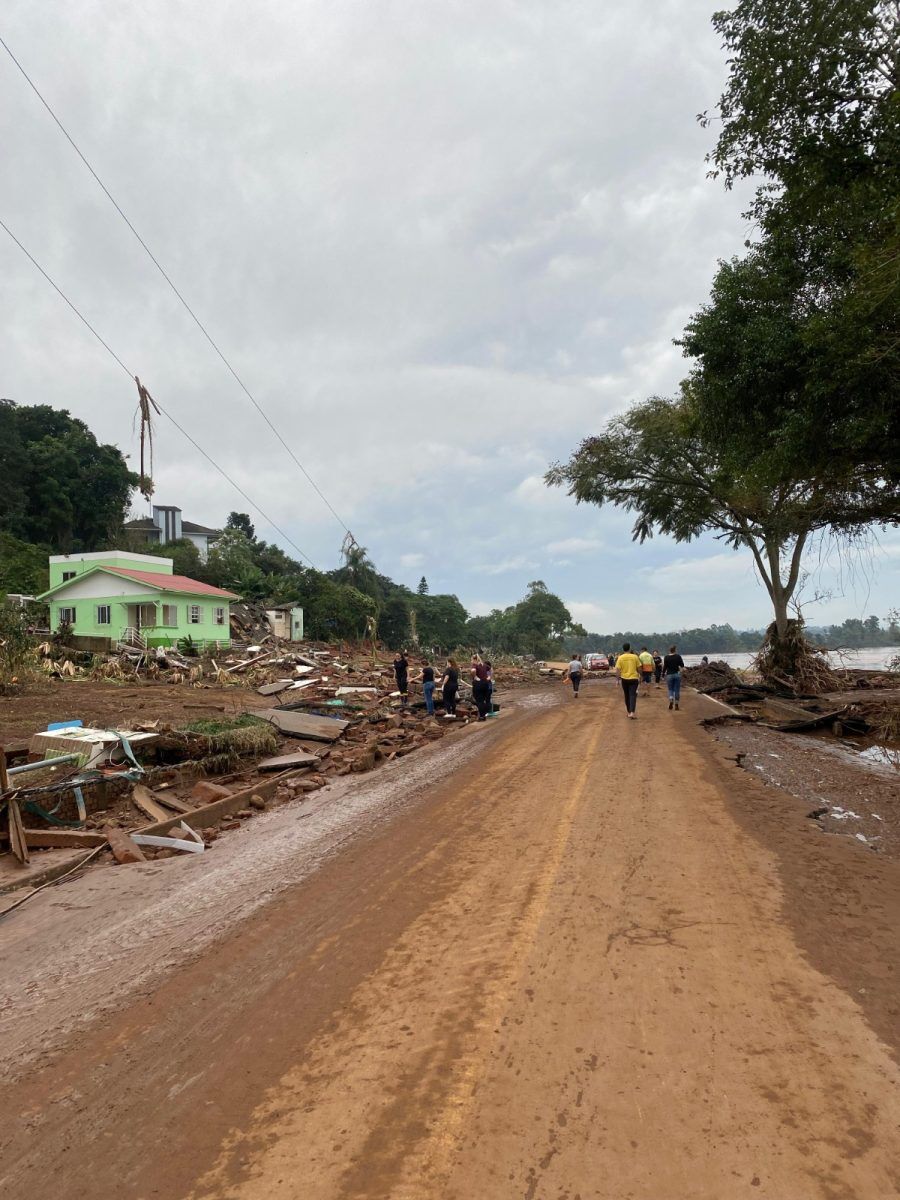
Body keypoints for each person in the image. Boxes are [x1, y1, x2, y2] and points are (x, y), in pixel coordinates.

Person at [616, 642, 641, 718]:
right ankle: (632, 713)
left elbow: (618, 670)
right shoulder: (635, 657)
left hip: (624, 679)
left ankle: (629, 712)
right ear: (630, 648)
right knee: (633, 695)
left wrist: (617, 680)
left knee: (627, 696)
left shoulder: (620, 657)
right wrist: (641, 676)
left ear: (623, 649)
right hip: (634, 678)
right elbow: (639, 668)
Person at [663, 644, 685, 710]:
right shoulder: (678, 656)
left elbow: (665, 667)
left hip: (669, 675)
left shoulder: (666, 657)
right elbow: (682, 665)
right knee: (677, 690)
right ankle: (676, 704)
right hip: (677, 674)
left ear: (669, 650)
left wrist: (663, 674)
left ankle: (671, 699)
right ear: (675, 650)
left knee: (670, 689)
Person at [470, 654, 491, 721]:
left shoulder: (475, 665)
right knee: (483, 700)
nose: (471, 661)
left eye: (472, 660)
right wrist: (489, 677)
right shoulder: (484, 665)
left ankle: (482, 716)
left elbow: (473, 671)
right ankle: (484, 714)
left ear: (474, 659)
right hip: (485, 683)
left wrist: (475, 677)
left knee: (479, 700)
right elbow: (491, 669)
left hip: (478, 684)